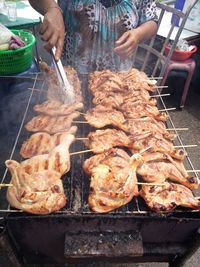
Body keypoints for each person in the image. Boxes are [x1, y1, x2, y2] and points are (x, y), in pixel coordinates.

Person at [29, 0, 158, 74]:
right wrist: (51, 8)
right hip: (71, 77)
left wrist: (139, 34)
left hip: (119, 82)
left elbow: (152, 21)